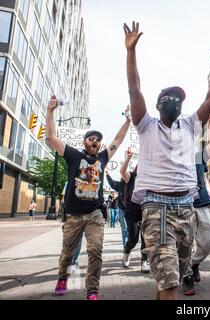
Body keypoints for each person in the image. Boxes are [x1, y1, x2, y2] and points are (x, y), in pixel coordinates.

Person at [124, 21, 210, 300]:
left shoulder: (191, 125)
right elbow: (135, 89)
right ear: (158, 105)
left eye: (180, 98)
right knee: (169, 282)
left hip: (186, 208)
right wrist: (131, 51)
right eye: (170, 97)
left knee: (170, 279)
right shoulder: (146, 125)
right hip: (156, 208)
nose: (176, 101)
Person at [47, 96, 130, 300]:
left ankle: (92, 291)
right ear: (85, 141)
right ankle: (62, 278)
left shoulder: (102, 157)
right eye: (91, 138)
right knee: (67, 252)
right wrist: (50, 111)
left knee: (95, 251)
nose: (95, 141)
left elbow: (117, 142)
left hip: (95, 214)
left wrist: (128, 121)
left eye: (98, 139)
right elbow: (51, 137)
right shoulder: (74, 155)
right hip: (74, 215)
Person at [182, 115, 210, 296]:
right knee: (185, 243)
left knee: (207, 242)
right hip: (183, 205)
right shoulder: (174, 159)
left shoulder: (198, 156)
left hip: (202, 204)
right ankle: (187, 275)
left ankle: (194, 264)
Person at [120, 148, 150, 273]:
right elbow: (122, 171)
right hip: (132, 211)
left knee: (146, 239)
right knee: (133, 239)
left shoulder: (151, 179)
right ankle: (127, 251)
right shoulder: (131, 177)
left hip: (147, 211)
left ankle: (144, 261)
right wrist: (128, 159)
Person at [61, 182, 82, 273]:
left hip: (81, 214)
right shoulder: (68, 182)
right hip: (71, 215)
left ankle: (73, 262)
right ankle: (71, 261)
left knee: (78, 240)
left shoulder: (85, 182)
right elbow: (63, 200)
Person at [106, 170, 129, 247]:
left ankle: (130, 243)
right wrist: (107, 175)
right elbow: (112, 183)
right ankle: (125, 245)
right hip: (122, 209)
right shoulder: (120, 185)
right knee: (124, 227)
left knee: (131, 228)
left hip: (132, 209)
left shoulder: (133, 184)